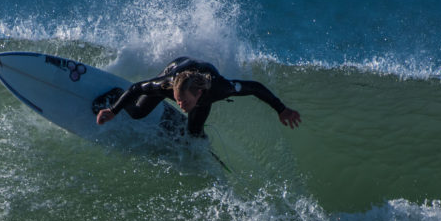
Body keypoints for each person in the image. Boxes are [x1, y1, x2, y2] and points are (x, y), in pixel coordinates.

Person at [95, 57, 301, 137]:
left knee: (194, 132)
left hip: (201, 82)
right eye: (177, 100)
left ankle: (182, 127)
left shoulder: (220, 89)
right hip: (177, 69)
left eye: (183, 102)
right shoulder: (166, 85)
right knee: (138, 113)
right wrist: (113, 110)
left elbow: (254, 87)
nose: (179, 104)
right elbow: (136, 88)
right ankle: (115, 94)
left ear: (199, 94)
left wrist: (281, 109)